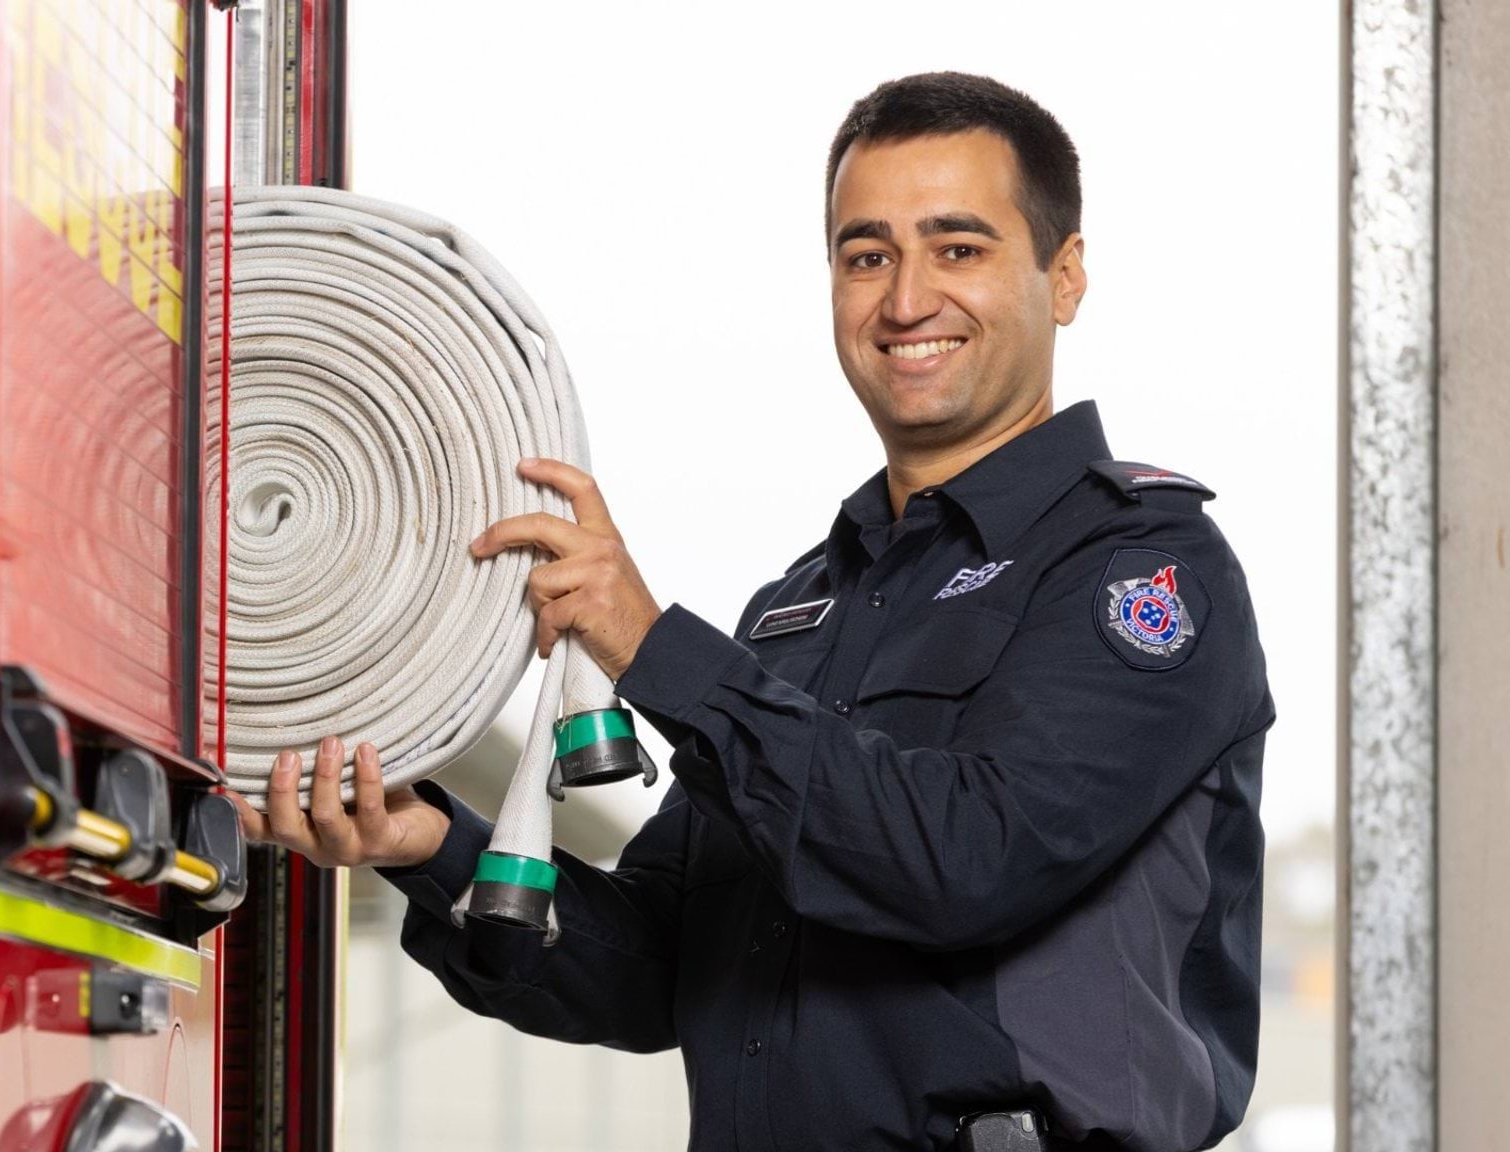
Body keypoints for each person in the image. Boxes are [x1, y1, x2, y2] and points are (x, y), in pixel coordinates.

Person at [233, 72, 1273, 1152]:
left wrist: (651, 646)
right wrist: (429, 842)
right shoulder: (798, 611)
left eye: (957, 248)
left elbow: (964, 862)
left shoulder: (1139, 573)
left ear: (1063, 279)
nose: (905, 298)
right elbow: (653, 970)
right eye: (866, 255)